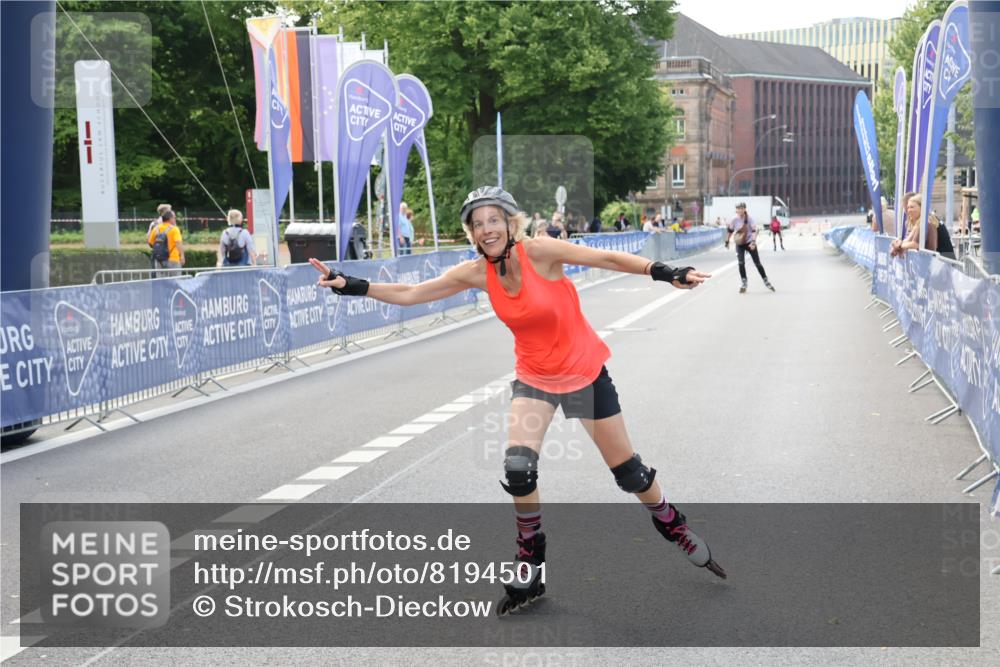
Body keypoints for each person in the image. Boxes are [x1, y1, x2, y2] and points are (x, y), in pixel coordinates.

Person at [308, 186, 725, 614]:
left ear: (511, 223)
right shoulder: (475, 272)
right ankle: (530, 555)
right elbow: (413, 293)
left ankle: (671, 523)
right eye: (478, 223)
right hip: (537, 379)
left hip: (582, 373)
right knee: (518, 468)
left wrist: (664, 271)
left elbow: (608, 259)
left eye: (494, 220)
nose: (487, 229)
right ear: (470, 232)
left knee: (629, 474)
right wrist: (351, 285)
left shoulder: (540, 251)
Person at [889, 193, 955, 259]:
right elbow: (909, 239)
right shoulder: (922, 221)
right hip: (938, 260)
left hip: (944, 261)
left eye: (911, 207)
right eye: (907, 207)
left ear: (921, 207)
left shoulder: (927, 221)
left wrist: (900, 246)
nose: (908, 211)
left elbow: (915, 244)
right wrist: (898, 244)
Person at [725, 202, 774, 293]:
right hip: (740, 244)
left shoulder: (750, 219)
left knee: (757, 264)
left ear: (745, 209)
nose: (740, 210)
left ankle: (765, 280)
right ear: (736, 210)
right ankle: (744, 281)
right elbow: (730, 230)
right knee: (741, 263)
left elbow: (755, 231)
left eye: (741, 208)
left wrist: (753, 242)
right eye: (738, 208)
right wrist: (727, 241)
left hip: (749, 243)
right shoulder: (734, 219)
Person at [147, 209, 185, 276]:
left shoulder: (156, 228)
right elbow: (178, 243)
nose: (175, 219)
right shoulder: (175, 229)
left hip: (159, 259)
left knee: (161, 283)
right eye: (174, 218)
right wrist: (182, 256)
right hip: (173, 259)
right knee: (175, 282)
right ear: (170, 219)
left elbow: (150, 242)